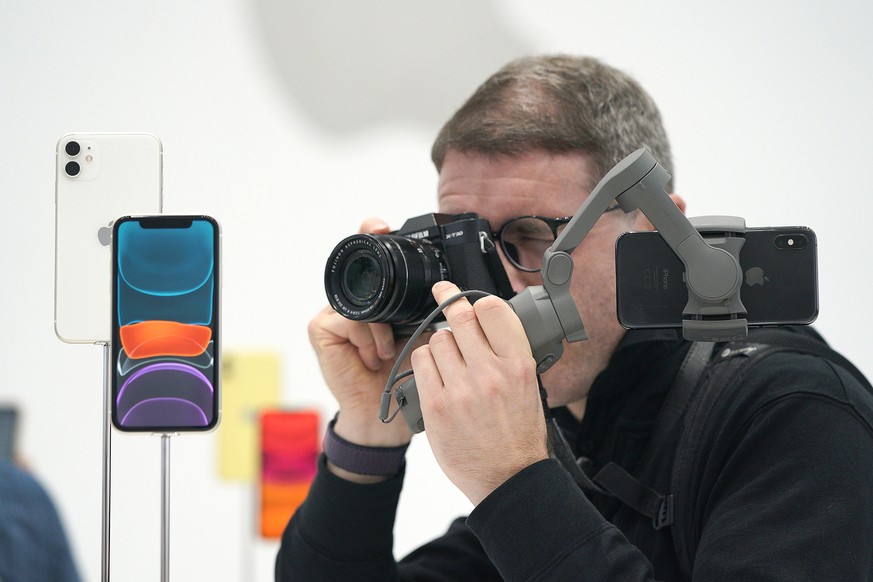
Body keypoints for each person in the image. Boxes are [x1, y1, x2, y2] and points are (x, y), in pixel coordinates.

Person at [275, 55, 873, 580]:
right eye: (460, 245)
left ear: (657, 231)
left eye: (531, 236)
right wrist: (366, 438)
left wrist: (513, 483)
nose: (489, 286)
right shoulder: (578, 433)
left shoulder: (794, 412)